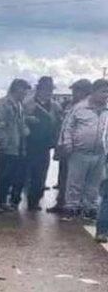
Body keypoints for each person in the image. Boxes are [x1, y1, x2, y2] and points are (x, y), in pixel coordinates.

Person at [59, 80, 108, 221]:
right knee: (75, 182)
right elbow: (67, 127)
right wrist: (67, 144)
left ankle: (90, 208)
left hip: (100, 154)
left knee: (94, 184)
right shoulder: (79, 108)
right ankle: (71, 208)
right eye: (103, 91)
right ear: (94, 92)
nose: (106, 95)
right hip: (79, 152)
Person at [50, 79, 93, 213]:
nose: (74, 93)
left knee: (78, 179)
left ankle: (77, 205)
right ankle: (61, 202)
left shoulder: (90, 108)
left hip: (80, 149)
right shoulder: (69, 105)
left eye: (77, 90)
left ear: (86, 92)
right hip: (66, 147)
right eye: (74, 90)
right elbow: (63, 126)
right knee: (63, 176)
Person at [0, 79, 31, 212]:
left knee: (9, 176)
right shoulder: (3, 104)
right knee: (1, 176)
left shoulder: (19, 105)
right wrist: (2, 141)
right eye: (23, 90)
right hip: (6, 145)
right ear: (16, 89)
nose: (25, 93)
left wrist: (25, 130)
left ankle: (2, 201)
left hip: (17, 145)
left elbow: (20, 122)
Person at [23, 76, 62, 211]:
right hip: (28, 144)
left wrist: (56, 143)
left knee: (40, 174)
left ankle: (34, 201)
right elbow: (20, 121)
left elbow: (59, 125)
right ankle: (18, 199)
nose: (48, 92)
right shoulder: (27, 104)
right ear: (38, 89)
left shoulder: (56, 106)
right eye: (45, 89)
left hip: (45, 146)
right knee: (24, 173)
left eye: (50, 89)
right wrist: (28, 120)